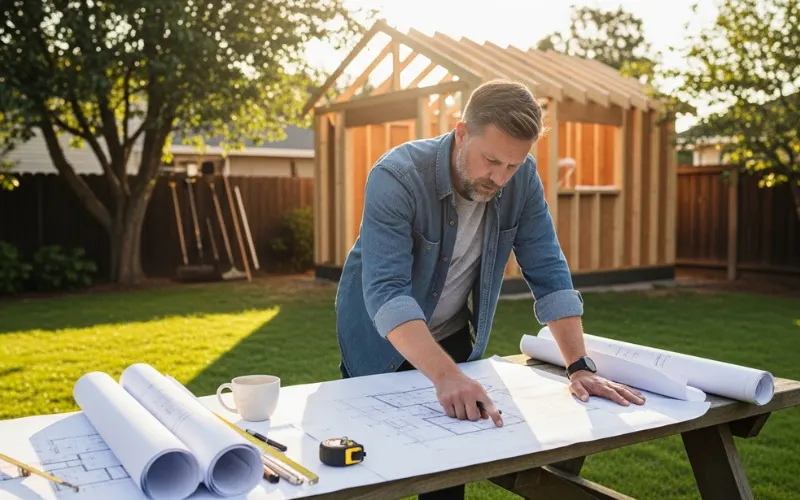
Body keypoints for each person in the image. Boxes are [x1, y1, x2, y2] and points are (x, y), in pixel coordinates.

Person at [334, 80, 644, 499]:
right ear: (462, 132)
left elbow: (548, 269)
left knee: (446, 477)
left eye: (513, 165)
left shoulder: (522, 178)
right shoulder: (396, 176)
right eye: (491, 160)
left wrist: (579, 366)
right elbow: (387, 292)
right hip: (378, 343)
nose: (499, 178)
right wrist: (445, 376)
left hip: (452, 336)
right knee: (368, 475)